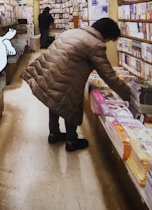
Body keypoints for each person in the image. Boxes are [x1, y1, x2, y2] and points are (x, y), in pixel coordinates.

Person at [21, 18, 131, 152]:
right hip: (66, 78)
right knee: (70, 106)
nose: (106, 42)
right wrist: (129, 94)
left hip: (50, 73)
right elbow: (108, 75)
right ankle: (72, 140)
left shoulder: (73, 32)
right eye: (108, 39)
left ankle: (54, 133)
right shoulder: (95, 44)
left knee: (54, 100)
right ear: (106, 35)